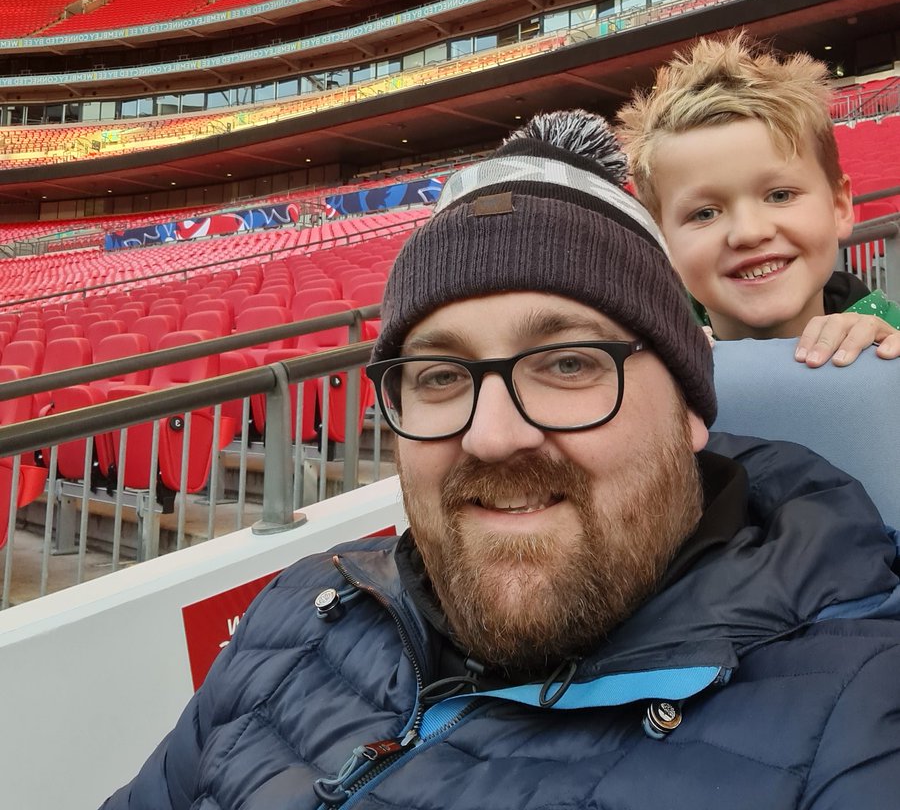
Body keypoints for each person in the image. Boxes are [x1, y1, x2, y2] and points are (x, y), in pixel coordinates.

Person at [102, 111, 900, 809]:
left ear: (692, 406)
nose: (490, 435)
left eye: (569, 364)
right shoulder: (298, 608)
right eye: (442, 376)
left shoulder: (853, 714)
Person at [617, 32, 900, 366]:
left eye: (780, 195)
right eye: (705, 214)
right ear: (662, 243)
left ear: (839, 207)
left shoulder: (891, 342)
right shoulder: (642, 373)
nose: (749, 233)